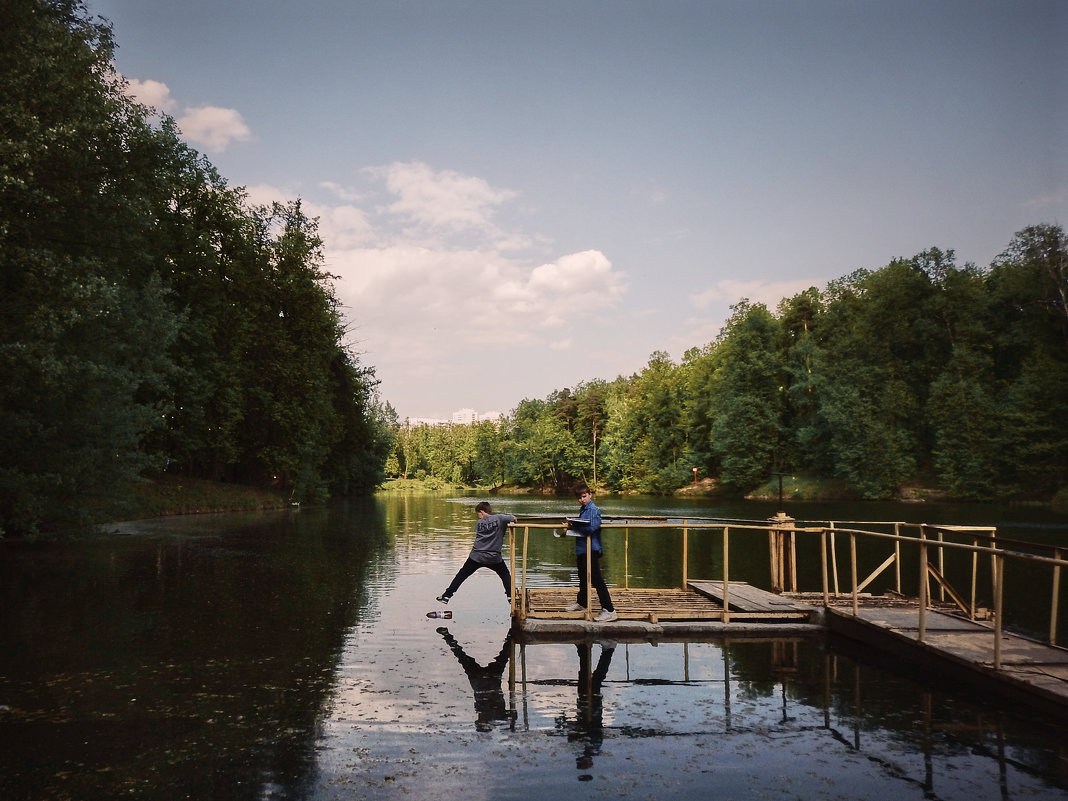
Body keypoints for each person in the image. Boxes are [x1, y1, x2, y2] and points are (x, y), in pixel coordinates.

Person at [437, 501, 514, 604]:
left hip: (476, 556)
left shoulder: (479, 523)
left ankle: (446, 596)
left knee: (461, 575)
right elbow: (513, 518)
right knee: (504, 574)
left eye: (478, 514)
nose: (478, 516)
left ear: (481, 511)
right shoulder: (500, 518)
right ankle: (510, 597)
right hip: (493, 556)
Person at [564, 485, 617, 622]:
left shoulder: (593, 510)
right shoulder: (584, 509)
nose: (582, 500)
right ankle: (582, 603)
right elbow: (584, 526)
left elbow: (591, 528)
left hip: (591, 549)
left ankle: (609, 610)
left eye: (584, 496)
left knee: (597, 579)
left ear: (590, 495)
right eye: (579, 498)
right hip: (582, 549)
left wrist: (573, 524)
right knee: (582, 576)